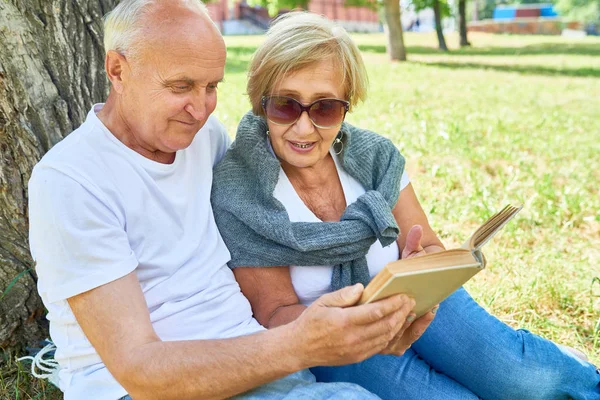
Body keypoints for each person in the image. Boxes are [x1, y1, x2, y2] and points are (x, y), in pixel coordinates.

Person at [27, 2, 432, 399]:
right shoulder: (71, 181)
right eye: (181, 86)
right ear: (118, 70)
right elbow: (140, 372)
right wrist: (299, 344)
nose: (200, 108)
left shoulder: (203, 138)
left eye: (211, 87)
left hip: (255, 360)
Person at [211, 11, 600, 400]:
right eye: (285, 105)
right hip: (335, 343)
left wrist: (423, 264)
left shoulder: (374, 157)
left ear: (347, 106)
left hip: (419, 305)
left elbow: (430, 248)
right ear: (261, 103)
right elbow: (275, 316)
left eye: (325, 108)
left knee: (525, 376)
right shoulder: (242, 191)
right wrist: (346, 324)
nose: (303, 127)